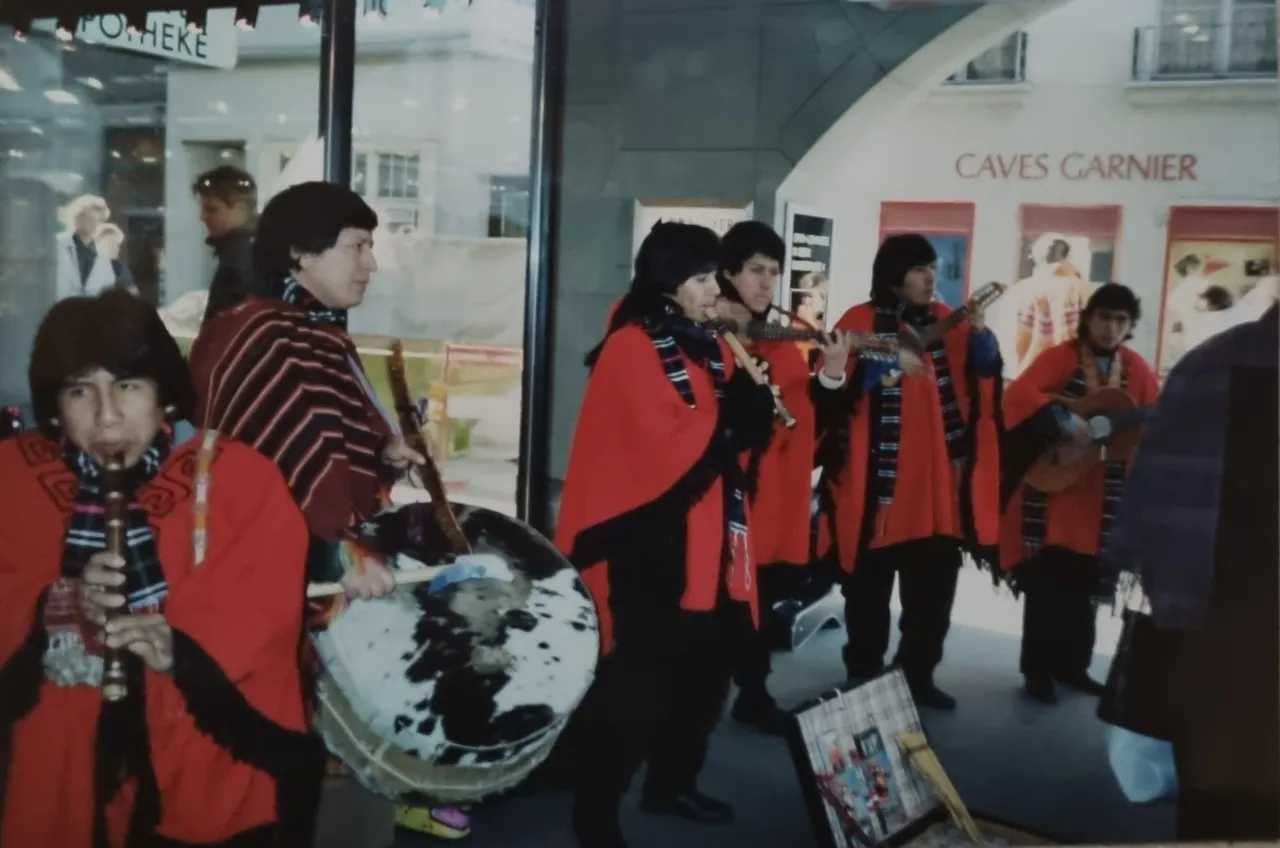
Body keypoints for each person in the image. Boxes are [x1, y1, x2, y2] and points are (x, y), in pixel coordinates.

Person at [186, 181, 473, 841]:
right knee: (271, 758)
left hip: (314, 566)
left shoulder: (317, 334)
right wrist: (338, 549)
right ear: (299, 255)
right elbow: (274, 468)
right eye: (357, 247)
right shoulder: (265, 335)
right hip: (266, 574)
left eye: (371, 247)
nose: (370, 264)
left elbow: (328, 449)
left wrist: (388, 451)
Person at [0, 289, 320, 847]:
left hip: (202, 766)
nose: (107, 415)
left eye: (127, 385)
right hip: (51, 767)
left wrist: (177, 645)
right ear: (54, 406)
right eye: (80, 390)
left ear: (163, 396)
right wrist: (56, 606)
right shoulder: (13, 478)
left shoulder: (236, 477)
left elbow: (262, 607)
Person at [554, 222, 783, 848]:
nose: (717, 290)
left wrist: (747, 405)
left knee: (704, 680)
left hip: (706, 539)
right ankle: (595, 815)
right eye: (705, 278)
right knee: (637, 692)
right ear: (671, 281)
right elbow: (666, 449)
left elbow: (717, 433)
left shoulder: (700, 339)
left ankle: (672, 783)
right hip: (647, 548)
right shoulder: (634, 343)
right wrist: (734, 418)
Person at [1103, 304, 1278, 840]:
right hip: (1233, 620)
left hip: (1203, 619)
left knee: (1209, 791)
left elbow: (1151, 491)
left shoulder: (1208, 361)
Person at [814, 233, 1002, 710]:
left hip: (940, 490)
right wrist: (885, 358)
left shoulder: (949, 321)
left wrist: (981, 334)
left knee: (933, 599)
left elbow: (986, 376)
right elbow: (832, 386)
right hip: (877, 489)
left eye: (932, 268)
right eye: (919, 269)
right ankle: (863, 675)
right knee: (867, 596)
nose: (930, 278)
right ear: (893, 276)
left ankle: (917, 675)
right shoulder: (858, 321)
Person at [999, 284, 1158, 704]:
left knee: (1087, 586)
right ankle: (1037, 672)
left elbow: (1154, 420)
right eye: (1104, 317)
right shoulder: (1061, 357)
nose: (1111, 328)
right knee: (1048, 586)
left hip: (1103, 493)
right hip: (1056, 492)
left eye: (1121, 320)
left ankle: (1073, 668)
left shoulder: (1138, 369)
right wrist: (1062, 418)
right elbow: (1018, 395)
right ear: (1088, 318)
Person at [715, 220, 814, 735]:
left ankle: (753, 691)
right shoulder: (714, 330)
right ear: (728, 272)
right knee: (728, 600)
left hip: (778, 490)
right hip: (732, 491)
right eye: (756, 271)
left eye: (774, 273)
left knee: (759, 596)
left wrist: (836, 374)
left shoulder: (775, 331)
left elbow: (806, 404)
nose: (766, 284)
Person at [193, 166, 259, 328]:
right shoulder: (249, 250)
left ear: (241, 209)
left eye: (211, 209)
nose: (202, 217)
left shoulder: (241, 258)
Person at [55, 195, 116, 300]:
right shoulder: (58, 244)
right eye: (88, 218)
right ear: (76, 217)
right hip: (60, 308)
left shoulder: (101, 256)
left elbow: (107, 286)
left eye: (97, 220)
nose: (92, 224)